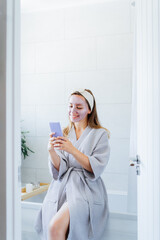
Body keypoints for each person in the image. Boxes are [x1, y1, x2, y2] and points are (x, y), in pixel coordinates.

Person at [35, 88, 111, 240]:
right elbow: (60, 168)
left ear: (89, 109)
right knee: (51, 218)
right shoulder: (64, 132)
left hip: (85, 188)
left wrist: (72, 149)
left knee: (55, 226)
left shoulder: (100, 134)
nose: (73, 110)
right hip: (62, 186)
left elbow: (96, 167)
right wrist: (51, 151)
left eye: (79, 107)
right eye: (70, 106)